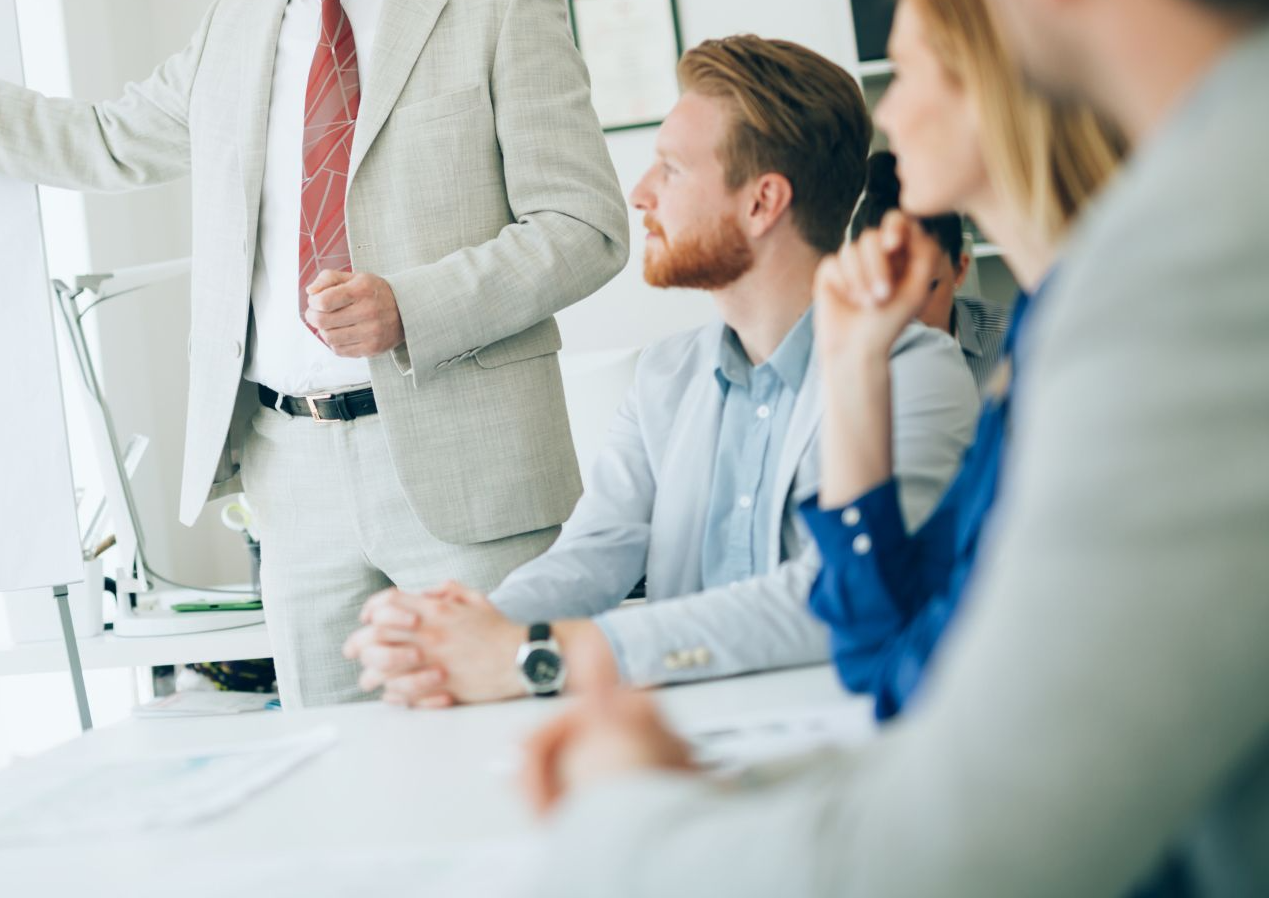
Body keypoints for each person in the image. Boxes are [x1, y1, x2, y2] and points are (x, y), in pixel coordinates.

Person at [515, 0, 1269, 894]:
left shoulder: (1184, 269)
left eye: (907, 71)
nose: (890, 113)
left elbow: (969, 841)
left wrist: (622, 802)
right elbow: (895, 653)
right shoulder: (1050, 325)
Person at [0, 0, 629, 707]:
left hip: (472, 460)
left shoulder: (497, 10)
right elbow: (102, 140)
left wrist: (410, 307)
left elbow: (584, 227)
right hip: (290, 473)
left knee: (522, 749)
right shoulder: (234, 26)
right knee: (332, 777)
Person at [341, 35, 979, 707]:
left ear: (762, 202)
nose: (640, 194)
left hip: (847, 738)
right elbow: (594, 552)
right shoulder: (666, 376)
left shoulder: (913, 373)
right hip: (686, 741)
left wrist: (539, 654)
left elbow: (833, 597)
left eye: (670, 170)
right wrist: (468, 628)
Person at [806, 1, 1119, 721]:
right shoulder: (1039, 336)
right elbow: (878, 648)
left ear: (998, 84)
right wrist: (851, 366)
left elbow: (920, 682)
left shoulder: (1104, 341)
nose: (887, 118)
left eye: (908, 72)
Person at [850, 151, 1009, 392]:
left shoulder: (1012, 343)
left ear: (959, 270)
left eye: (926, 286)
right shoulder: (838, 363)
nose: (905, 311)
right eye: (884, 288)